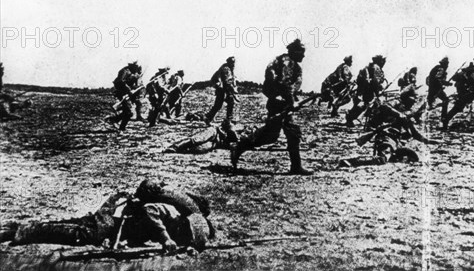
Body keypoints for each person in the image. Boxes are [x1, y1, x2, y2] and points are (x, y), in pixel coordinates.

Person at [1, 179, 214, 252]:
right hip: (111, 221)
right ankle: (21, 230)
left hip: (115, 218)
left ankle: (22, 227)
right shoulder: (171, 213)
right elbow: (150, 212)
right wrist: (165, 238)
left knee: (77, 225)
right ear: (184, 227)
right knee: (84, 234)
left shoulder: (176, 215)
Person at [229, 39, 313, 175]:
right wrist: (292, 102)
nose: (303, 55)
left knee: (282, 134)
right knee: (282, 133)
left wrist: (292, 101)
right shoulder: (286, 62)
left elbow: (292, 86)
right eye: (301, 52)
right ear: (294, 51)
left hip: (283, 102)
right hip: (278, 103)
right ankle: (239, 146)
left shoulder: (292, 65)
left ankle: (295, 166)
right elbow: (284, 85)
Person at [339, 98, 438, 168]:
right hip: (385, 138)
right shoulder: (390, 111)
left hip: (396, 141)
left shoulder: (403, 117)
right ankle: (351, 162)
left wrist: (429, 141)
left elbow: (415, 134)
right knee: (382, 158)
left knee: (412, 156)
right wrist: (397, 114)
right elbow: (383, 106)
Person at [345, 55, 386, 127]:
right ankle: (370, 123)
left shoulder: (369, 67)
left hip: (364, 89)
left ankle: (350, 118)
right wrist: (378, 91)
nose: (384, 63)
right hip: (369, 90)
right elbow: (375, 81)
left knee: (365, 105)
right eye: (383, 61)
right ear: (380, 61)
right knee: (370, 105)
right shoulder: (376, 68)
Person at [442, 61, 474, 130]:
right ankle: (445, 120)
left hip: (464, 92)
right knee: (458, 107)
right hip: (464, 93)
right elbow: (472, 82)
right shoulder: (465, 75)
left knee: (458, 107)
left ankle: (446, 120)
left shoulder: (464, 74)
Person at [105, 62, 143, 131]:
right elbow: (121, 82)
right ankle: (119, 125)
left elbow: (130, 83)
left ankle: (116, 122)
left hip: (128, 93)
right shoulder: (125, 71)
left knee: (127, 112)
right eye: (136, 66)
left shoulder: (133, 72)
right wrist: (129, 90)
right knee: (129, 112)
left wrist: (137, 87)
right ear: (132, 65)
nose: (137, 68)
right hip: (122, 93)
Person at [164, 120, 239, 154]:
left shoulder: (236, 135)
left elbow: (234, 142)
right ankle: (175, 147)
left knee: (203, 148)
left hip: (215, 142)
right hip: (215, 132)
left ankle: (183, 149)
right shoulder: (214, 130)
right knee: (197, 140)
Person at [205, 57, 237, 124]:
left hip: (223, 89)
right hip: (222, 89)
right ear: (229, 62)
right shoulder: (226, 69)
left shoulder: (229, 68)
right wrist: (232, 90)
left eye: (234, 62)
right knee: (220, 104)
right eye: (232, 62)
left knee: (226, 103)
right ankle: (227, 119)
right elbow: (226, 82)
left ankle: (210, 117)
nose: (234, 64)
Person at [426, 57, 451, 122]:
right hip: (436, 89)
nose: (447, 66)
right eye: (446, 64)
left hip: (432, 89)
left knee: (430, 104)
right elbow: (438, 79)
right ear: (444, 64)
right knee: (446, 100)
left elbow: (428, 79)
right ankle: (443, 117)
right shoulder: (441, 69)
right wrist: (446, 83)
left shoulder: (436, 68)